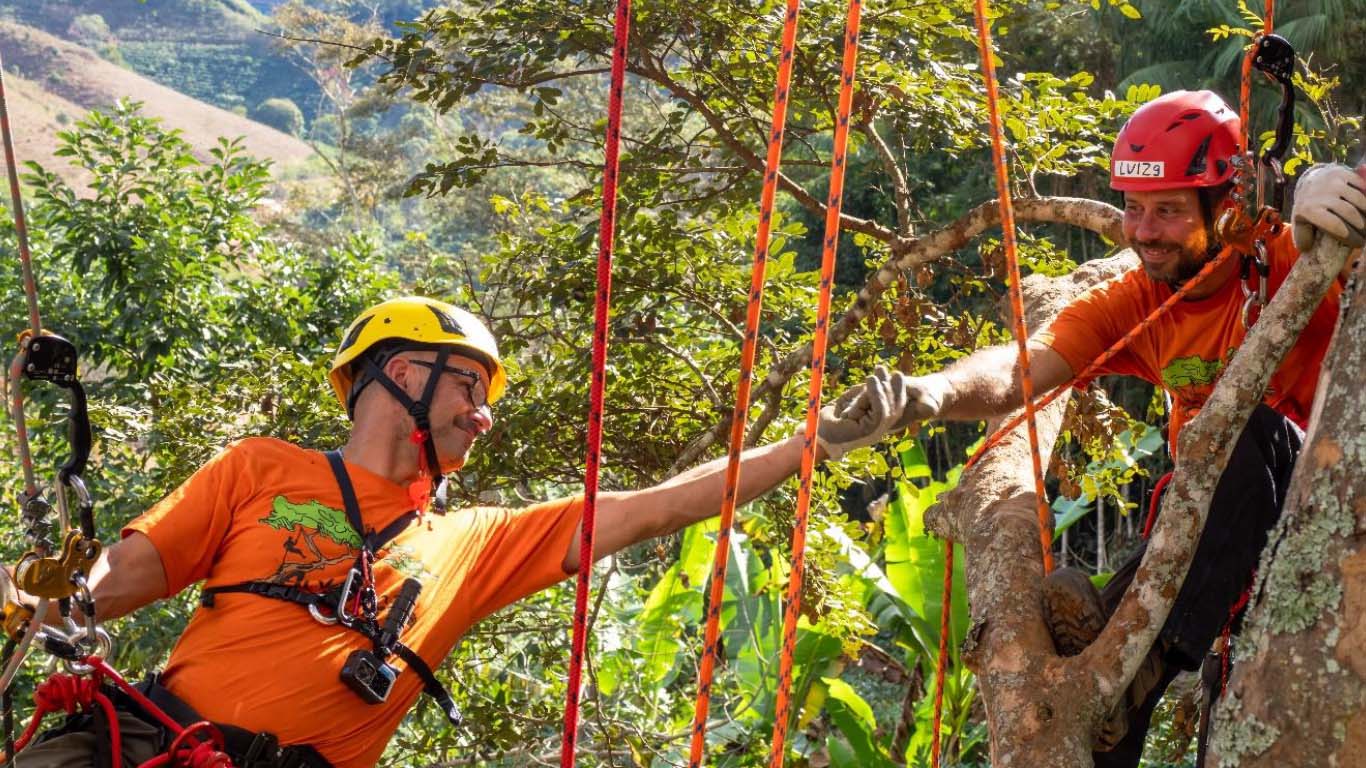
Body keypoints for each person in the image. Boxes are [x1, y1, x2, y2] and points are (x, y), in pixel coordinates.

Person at [3, 296, 912, 768]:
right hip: (149, 744)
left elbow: (662, 503)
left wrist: (813, 441)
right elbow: (125, 575)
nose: (484, 419)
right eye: (470, 390)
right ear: (402, 375)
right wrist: (35, 592)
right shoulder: (261, 468)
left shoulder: (475, 542)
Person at [887, 90, 1365, 766]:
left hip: (1310, 498)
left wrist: (1326, 187)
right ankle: (1116, 677)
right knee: (1100, 726)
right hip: (1211, 552)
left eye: (1168, 211)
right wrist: (927, 393)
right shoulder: (1141, 298)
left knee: (1234, 430)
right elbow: (1028, 366)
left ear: (1226, 208)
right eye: (1135, 208)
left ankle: (1119, 649)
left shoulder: (1291, 254)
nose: (1143, 232)